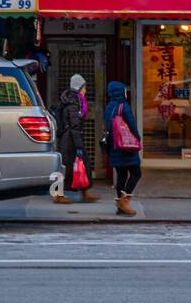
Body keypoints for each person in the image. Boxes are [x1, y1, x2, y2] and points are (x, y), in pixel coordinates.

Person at [53, 73, 99, 204]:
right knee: (66, 167)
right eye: (84, 87)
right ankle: (58, 195)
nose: (85, 90)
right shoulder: (73, 104)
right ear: (79, 87)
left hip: (72, 139)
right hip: (69, 140)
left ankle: (85, 192)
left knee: (83, 165)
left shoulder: (75, 101)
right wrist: (79, 146)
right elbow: (74, 126)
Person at [104, 80, 142, 216]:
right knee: (136, 173)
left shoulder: (108, 107)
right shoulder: (124, 106)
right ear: (121, 92)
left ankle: (120, 207)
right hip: (126, 146)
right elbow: (132, 125)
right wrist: (138, 139)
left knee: (121, 175)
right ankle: (124, 202)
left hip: (114, 145)